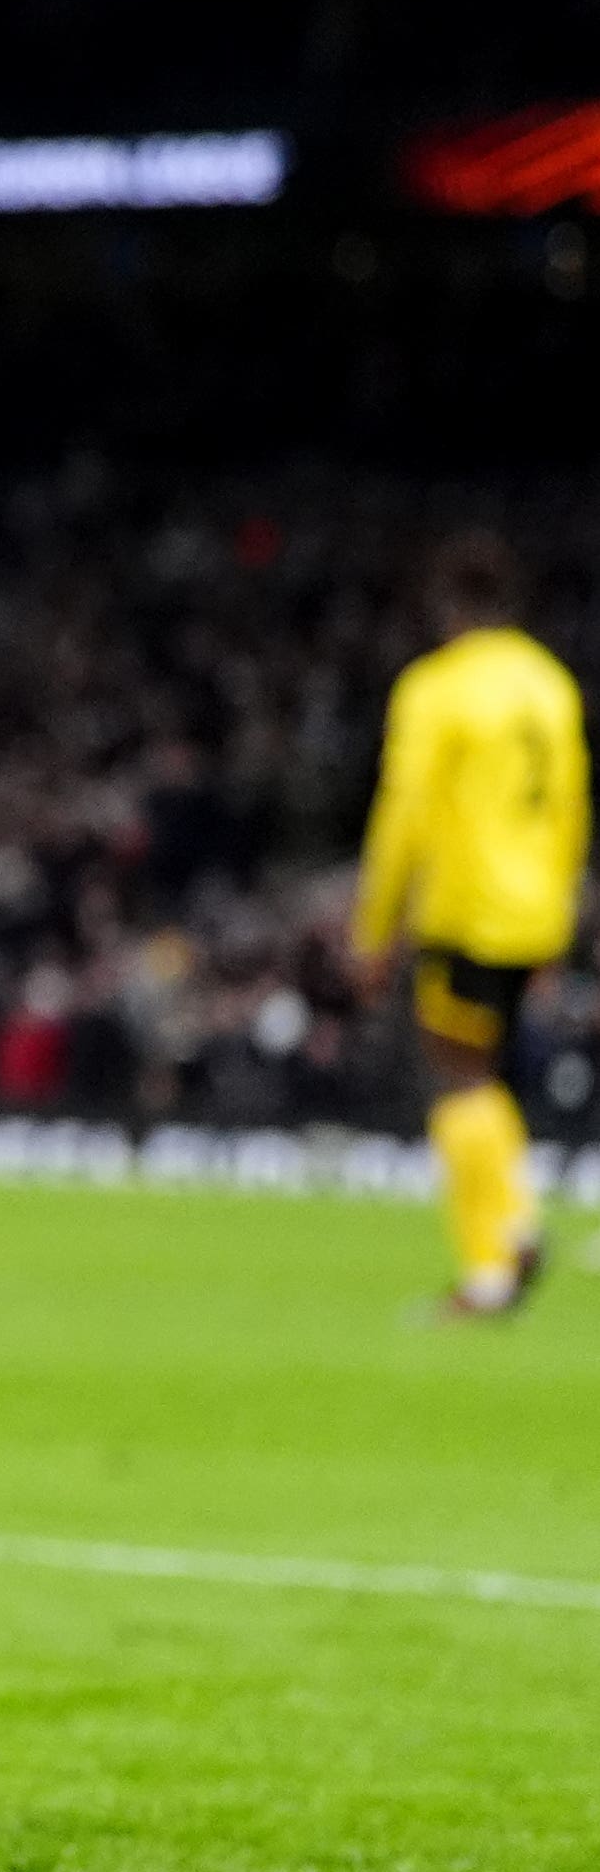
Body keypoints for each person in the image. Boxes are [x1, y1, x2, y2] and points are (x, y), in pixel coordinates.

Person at [351, 529, 585, 1318]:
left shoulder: (438, 687)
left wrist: (375, 926)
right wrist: (558, 919)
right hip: (536, 912)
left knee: (456, 1076)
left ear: (450, 607)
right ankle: (514, 1225)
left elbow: (403, 813)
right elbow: (572, 811)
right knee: (484, 1076)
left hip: (466, 909)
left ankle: (494, 1259)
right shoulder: (552, 687)